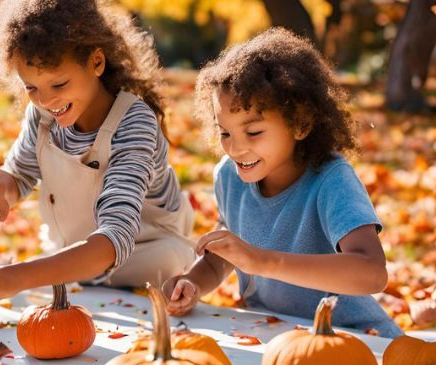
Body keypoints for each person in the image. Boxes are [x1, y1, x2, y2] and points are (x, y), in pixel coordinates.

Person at [0, 0, 195, 314]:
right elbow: (19, 174)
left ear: (96, 62)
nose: (46, 99)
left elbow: (115, 237)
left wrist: (14, 277)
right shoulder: (43, 115)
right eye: (31, 87)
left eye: (59, 83)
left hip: (146, 272)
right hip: (67, 268)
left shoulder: (134, 124)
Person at [163, 28, 403, 338]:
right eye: (225, 133)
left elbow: (372, 273)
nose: (235, 148)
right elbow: (224, 260)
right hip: (271, 333)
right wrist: (192, 283)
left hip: (356, 339)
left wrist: (263, 261)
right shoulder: (229, 176)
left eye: (253, 133)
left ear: (300, 123)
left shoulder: (331, 180)